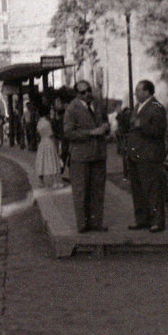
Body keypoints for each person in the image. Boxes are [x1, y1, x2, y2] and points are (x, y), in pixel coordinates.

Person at [63, 80, 110, 233]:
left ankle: (97, 223)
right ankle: (83, 225)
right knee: (81, 191)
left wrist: (106, 127)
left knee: (97, 190)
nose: (87, 94)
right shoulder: (72, 109)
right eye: (83, 92)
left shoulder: (97, 104)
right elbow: (68, 133)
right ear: (77, 94)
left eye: (88, 90)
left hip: (98, 154)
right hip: (81, 156)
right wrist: (91, 133)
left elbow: (104, 121)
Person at [125, 80, 168, 233]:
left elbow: (158, 130)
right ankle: (142, 219)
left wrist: (141, 125)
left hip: (149, 155)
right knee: (138, 190)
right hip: (136, 155)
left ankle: (157, 221)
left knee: (152, 189)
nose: (135, 93)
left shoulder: (156, 107)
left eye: (138, 90)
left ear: (147, 92)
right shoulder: (138, 106)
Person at [35, 103, 61, 188]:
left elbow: (38, 134)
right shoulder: (47, 123)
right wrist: (56, 144)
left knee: (41, 161)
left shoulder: (39, 123)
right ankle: (54, 182)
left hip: (42, 142)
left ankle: (40, 181)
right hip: (49, 142)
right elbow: (51, 134)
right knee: (51, 160)